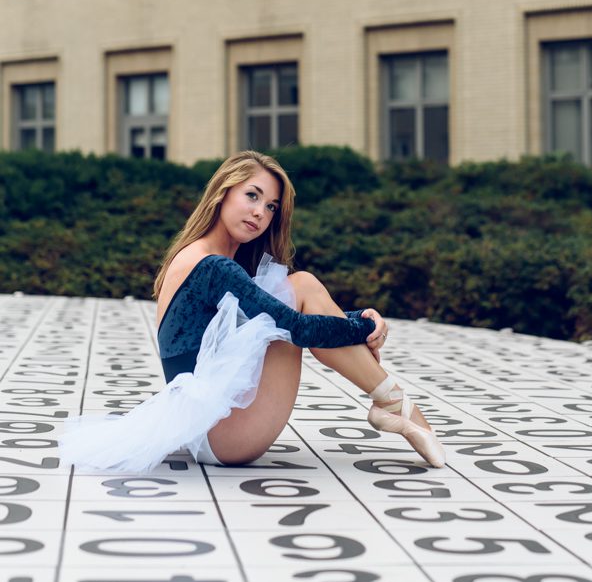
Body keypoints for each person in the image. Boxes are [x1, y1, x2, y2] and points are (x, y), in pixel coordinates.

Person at [59, 150, 445, 472]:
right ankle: (397, 404)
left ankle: (390, 403)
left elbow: (290, 318)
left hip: (210, 427)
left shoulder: (213, 258)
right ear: (223, 193)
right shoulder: (210, 265)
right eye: (252, 196)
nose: (261, 212)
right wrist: (360, 329)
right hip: (223, 434)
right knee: (301, 295)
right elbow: (295, 327)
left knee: (301, 288)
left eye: (271, 206)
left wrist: (358, 319)